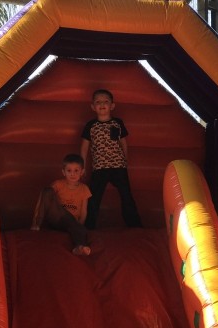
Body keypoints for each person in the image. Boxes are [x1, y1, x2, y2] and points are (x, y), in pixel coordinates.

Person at [80, 88, 142, 229]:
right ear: (93, 106)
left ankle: (135, 227)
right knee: (94, 197)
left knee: (126, 196)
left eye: (106, 101)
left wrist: (125, 160)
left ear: (112, 106)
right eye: (98, 102)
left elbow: (123, 143)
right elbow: (84, 147)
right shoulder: (91, 125)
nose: (102, 104)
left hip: (118, 166)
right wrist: (82, 166)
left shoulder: (117, 123)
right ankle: (88, 227)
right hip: (99, 167)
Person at [31, 153, 92, 256]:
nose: (72, 174)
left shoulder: (84, 189)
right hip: (56, 219)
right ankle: (36, 224)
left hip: (71, 222)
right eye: (69, 171)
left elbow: (84, 211)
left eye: (76, 171)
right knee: (47, 190)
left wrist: (78, 225)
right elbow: (46, 197)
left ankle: (79, 247)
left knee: (81, 228)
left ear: (82, 172)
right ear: (63, 172)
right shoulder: (58, 184)